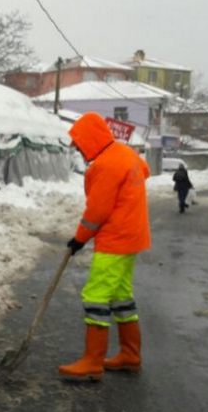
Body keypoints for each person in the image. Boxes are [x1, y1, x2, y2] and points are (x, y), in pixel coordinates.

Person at [60, 112, 151, 382]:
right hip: (132, 236)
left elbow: (96, 212)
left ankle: (92, 361)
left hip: (115, 239)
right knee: (121, 295)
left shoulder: (106, 165)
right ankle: (130, 355)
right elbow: (145, 172)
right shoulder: (125, 154)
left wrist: (79, 239)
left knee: (96, 296)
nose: (79, 150)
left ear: (90, 139)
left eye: (79, 144)